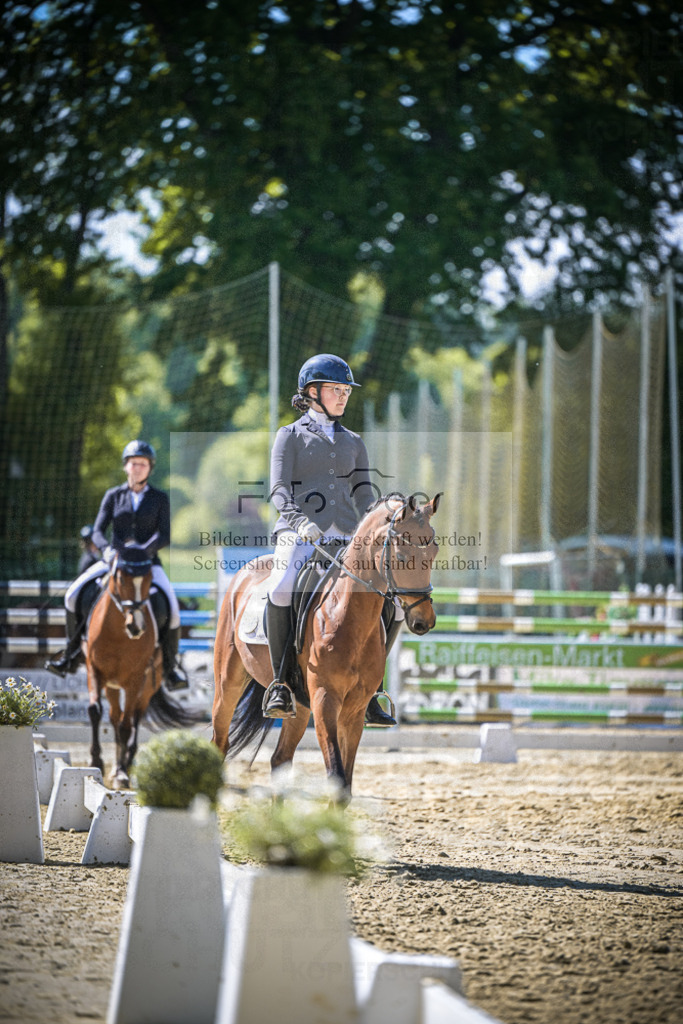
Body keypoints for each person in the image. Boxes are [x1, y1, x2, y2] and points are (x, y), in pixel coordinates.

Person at [263, 353, 400, 725]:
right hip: (299, 533)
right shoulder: (289, 435)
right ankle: (280, 682)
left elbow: (363, 497)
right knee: (280, 587)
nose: (343, 396)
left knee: (393, 600)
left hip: (345, 538)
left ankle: (373, 688)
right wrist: (299, 522)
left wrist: (384, 513)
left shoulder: (353, 441)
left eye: (346, 391)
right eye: (336, 389)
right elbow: (277, 489)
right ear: (312, 392)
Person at [46, 440, 188, 690]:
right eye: (134, 464)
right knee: (71, 595)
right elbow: (98, 530)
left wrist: (144, 551)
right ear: (126, 467)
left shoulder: (160, 498)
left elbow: (164, 535)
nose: (138, 468)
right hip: (115, 561)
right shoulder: (113, 495)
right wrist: (108, 550)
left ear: (150, 468)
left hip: (148, 564)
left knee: (173, 609)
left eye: (143, 464)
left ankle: (170, 667)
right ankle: (70, 655)